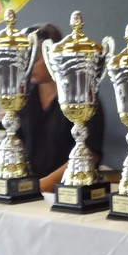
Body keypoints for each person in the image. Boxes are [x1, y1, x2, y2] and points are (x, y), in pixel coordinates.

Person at [18, 23, 104, 193]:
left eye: (35, 59)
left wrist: (46, 183)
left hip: (72, 189)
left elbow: (90, 153)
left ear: (52, 56)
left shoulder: (83, 97)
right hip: (32, 188)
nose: (29, 65)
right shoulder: (24, 97)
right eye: (26, 58)